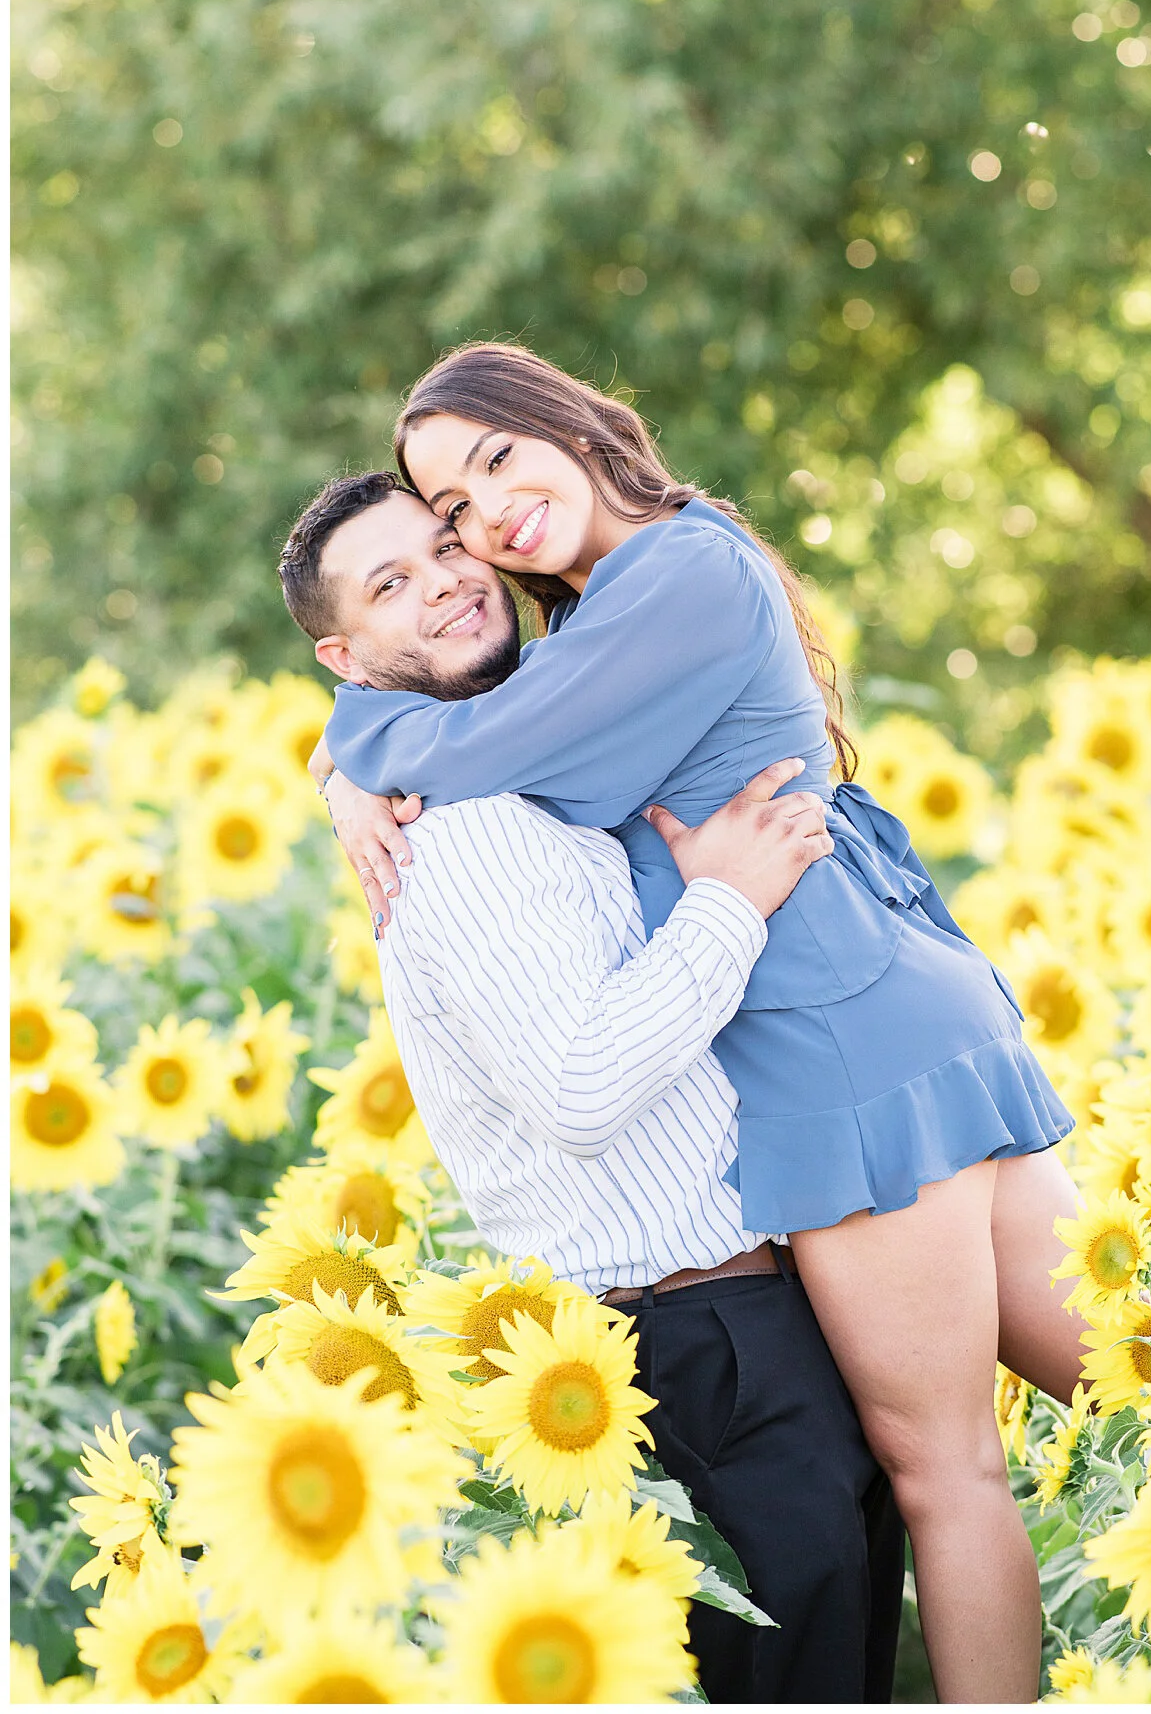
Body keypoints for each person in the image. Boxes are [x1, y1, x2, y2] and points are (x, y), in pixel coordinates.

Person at [317, 344, 1090, 1705]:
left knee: (945, 1471)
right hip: (886, 1004)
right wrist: (347, 749)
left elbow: (490, 745)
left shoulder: (671, 576)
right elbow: (501, 717)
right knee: (1138, 1375)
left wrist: (347, 745)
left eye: (495, 461)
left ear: (566, 422)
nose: (484, 519)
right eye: (451, 512)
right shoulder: (616, 600)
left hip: (830, 1049)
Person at [277, 474, 906, 1704]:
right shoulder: (467, 832)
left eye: (446, 547)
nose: (446, 583)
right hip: (697, 1351)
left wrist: (339, 762)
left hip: (734, 1329)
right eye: (391, 585)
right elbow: (581, 1085)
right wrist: (730, 900)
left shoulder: (522, 767)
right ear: (344, 660)